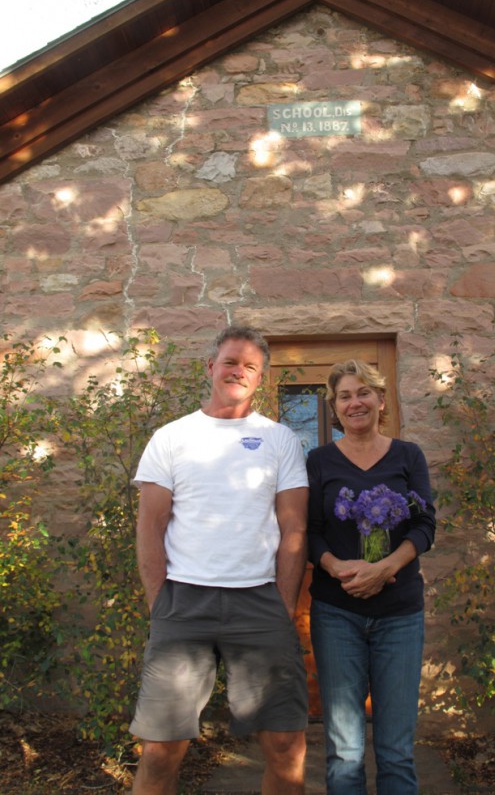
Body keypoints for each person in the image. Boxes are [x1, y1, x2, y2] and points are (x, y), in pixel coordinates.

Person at [130, 325, 309, 795]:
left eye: (250, 366)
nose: (239, 372)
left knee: (286, 744)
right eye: (231, 362)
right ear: (210, 367)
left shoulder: (281, 440)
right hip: (184, 604)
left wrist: (283, 607)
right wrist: (160, 606)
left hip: (259, 603)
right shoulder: (172, 437)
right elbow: (150, 527)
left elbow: (294, 529)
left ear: (261, 379)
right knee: (160, 750)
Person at [307, 359, 436, 795]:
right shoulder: (318, 460)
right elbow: (310, 532)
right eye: (344, 396)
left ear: (381, 401)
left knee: (396, 748)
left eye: (364, 393)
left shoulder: (408, 455)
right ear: (334, 407)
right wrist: (334, 566)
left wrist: (386, 567)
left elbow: (424, 526)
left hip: (399, 614)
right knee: (344, 750)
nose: (354, 402)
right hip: (336, 612)